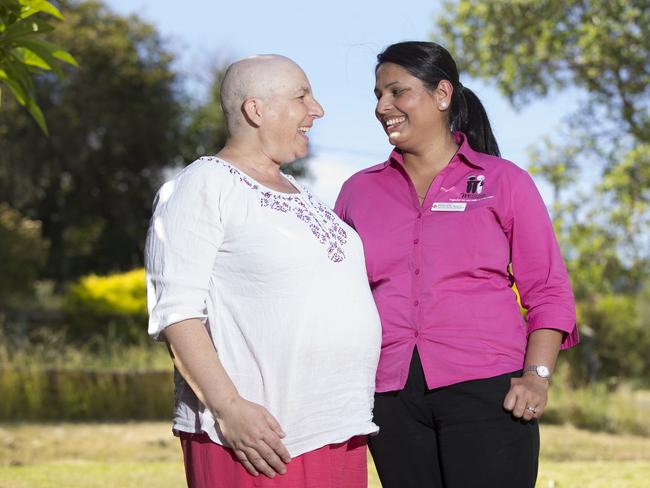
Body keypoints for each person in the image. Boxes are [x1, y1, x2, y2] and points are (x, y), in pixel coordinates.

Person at [334, 41, 579, 488]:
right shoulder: (357, 192)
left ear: (442, 94)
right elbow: (339, 297)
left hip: (489, 390)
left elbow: (547, 290)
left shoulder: (504, 182)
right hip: (390, 396)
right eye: (377, 95)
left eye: (396, 92)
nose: (382, 107)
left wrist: (536, 376)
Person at [145, 54, 381, 488]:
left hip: (334, 429)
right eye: (301, 96)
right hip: (259, 438)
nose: (318, 109)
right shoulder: (201, 185)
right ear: (256, 110)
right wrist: (228, 408)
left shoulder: (303, 194)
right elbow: (175, 314)